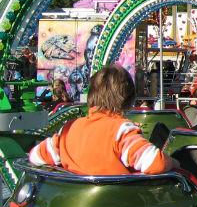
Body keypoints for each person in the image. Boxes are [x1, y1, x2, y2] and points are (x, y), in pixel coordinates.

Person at [29, 64, 178, 175]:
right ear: (128, 98)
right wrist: (174, 163)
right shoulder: (121, 131)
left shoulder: (68, 130)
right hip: (115, 202)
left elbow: (35, 156)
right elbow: (155, 163)